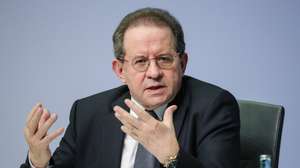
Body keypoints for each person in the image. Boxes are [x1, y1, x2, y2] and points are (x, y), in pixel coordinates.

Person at [21, 7, 240, 168]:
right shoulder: (89, 112)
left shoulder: (214, 107)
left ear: (182, 63)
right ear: (120, 71)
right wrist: (39, 163)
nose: (154, 73)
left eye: (164, 59)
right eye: (141, 61)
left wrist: (172, 157)